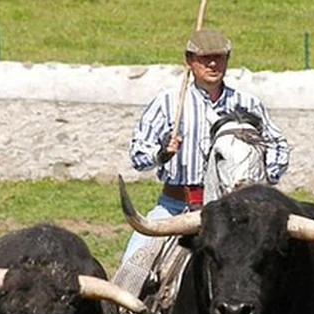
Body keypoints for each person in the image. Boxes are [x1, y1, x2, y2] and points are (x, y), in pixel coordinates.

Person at [122, 28, 290, 263]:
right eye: (205, 58)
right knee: (132, 267)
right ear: (190, 62)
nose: (213, 64)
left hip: (237, 214)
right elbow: (137, 155)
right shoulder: (168, 103)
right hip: (177, 207)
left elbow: (278, 146)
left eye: (219, 57)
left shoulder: (248, 104)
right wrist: (162, 153)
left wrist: (262, 177)